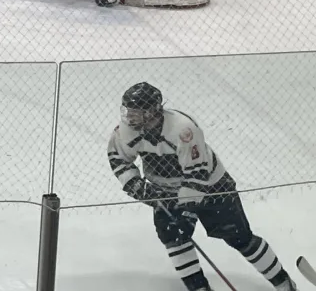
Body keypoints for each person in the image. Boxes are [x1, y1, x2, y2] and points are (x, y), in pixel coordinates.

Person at [109, 83, 299, 291]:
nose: (130, 118)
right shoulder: (125, 132)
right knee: (174, 239)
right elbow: (118, 158)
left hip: (213, 188)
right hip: (165, 192)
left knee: (241, 239)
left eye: (136, 113)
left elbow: (197, 174)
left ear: (152, 111)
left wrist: (181, 206)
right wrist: (139, 188)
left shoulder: (183, 129)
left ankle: (284, 283)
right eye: (128, 111)